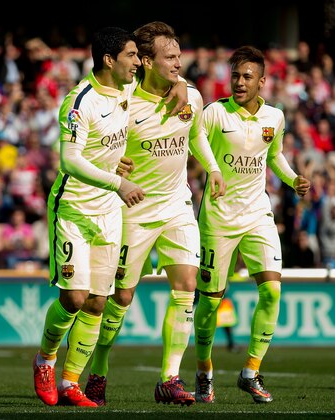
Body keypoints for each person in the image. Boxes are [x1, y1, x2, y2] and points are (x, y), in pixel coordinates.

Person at [31, 26, 188, 407]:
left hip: (108, 213)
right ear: (108, 60)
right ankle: (45, 359)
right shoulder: (78, 102)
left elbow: (161, 80)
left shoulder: (126, 91)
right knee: (73, 297)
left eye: (138, 56)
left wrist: (180, 83)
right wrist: (116, 182)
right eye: (132, 56)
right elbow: (69, 160)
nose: (138, 63)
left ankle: (71, 384)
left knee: (98, 303)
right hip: (74, 208)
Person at [83, 21, 225, 407]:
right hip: (133, 210)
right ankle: (98, 369)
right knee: (122, 297)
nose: (179, 63)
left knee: (186, 285)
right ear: (146, 61)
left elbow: (196, 135)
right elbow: (98, 141)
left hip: (177, 204)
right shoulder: (122, 100)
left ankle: (169, 379)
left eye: (180, 56)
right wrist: (115, 167)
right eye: (170, 57)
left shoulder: (190, 95)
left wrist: (212, 168)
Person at [193, 45, 311, 404]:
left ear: (262, 81)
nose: (239, 82)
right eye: (235, 76)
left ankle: (250, 371)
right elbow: (196, 142)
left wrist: (293, 180)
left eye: (247, 77)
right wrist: (212, 170)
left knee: (272, 290)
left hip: (258, 213)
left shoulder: (274, 117)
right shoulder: (215, 112)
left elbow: (273, 157)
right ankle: (203, 371)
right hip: (217, 217)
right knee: (211, 303)